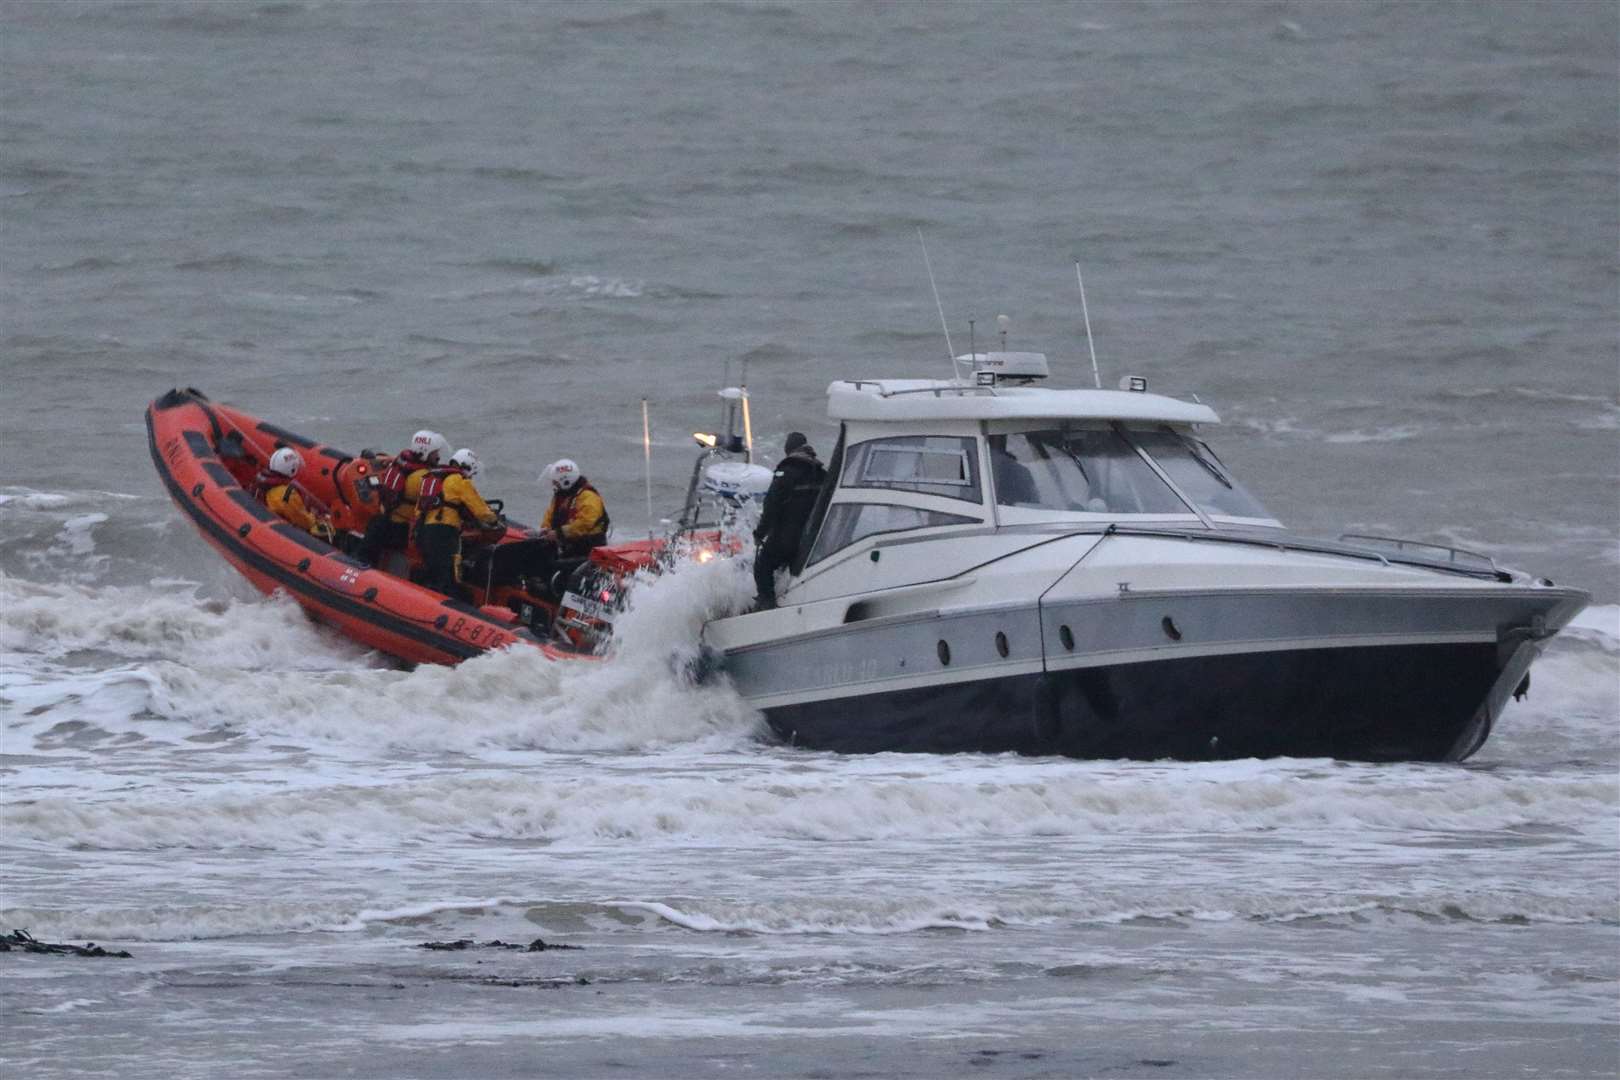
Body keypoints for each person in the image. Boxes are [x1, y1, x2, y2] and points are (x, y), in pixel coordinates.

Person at [414, 447, 501, 602]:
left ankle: (428, 597)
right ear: (467, 466)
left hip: (425, 530)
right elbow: (480, 510)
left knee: (433, 567)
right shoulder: (460, 481)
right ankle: (446, 600)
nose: (471, 477)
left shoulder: (435, 477)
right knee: (449, 570)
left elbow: (419, 509)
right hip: (445, 532)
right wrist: (494, 520)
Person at [751, 432, 826, 610]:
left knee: (763, 566)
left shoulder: (785, 473)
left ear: (788, 450)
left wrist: (760, 533)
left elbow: (771, 506)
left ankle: (766, 603)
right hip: (811, 538)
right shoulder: (822, 473)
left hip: (786, 535)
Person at [357, 429, 446, 566]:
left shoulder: (402, 463)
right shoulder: (423, 478)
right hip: (401, 531)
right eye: (435, 453)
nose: (438, 456)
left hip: (384, 521)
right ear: (426, 452)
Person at [252, 447, 335, 542]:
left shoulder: (262, 479)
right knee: (325, 529)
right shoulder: (287, 494)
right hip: (283, 531)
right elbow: (304, 521)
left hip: (266, 516)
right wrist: (319, 518)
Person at [539, 458, 610, 557]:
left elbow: (586, 523)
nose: (553, 485)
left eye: (555, 482)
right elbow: (550, 514)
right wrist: (545, 529)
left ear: (565, 481)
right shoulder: (560, 497)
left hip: (588, 548)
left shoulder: (588, 496)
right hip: (568, 545)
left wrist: (558, 533)